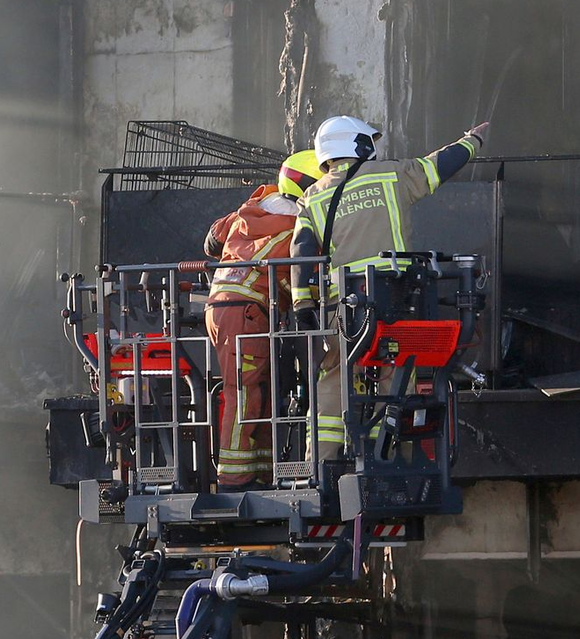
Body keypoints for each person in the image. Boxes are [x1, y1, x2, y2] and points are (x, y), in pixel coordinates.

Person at [290, 115, 490, 463]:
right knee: (397, 372)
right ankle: (389, 455)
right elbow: (438, 166)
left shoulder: (312, 198)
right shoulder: (391, 175)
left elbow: (301, 253)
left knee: (335, 378)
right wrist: (473, 140)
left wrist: (302, 306)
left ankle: (319, 462)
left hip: (344, 311)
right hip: (395, 303)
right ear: (359, 144)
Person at [204, 149, 321, 486]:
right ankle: (234, 477)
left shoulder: (253, 208)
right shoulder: (294, 229)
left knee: (263, 388)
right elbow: (296, 279)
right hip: (249, 313)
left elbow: (211, 242)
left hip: (226, 310)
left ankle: (263, 469)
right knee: (244, 390)